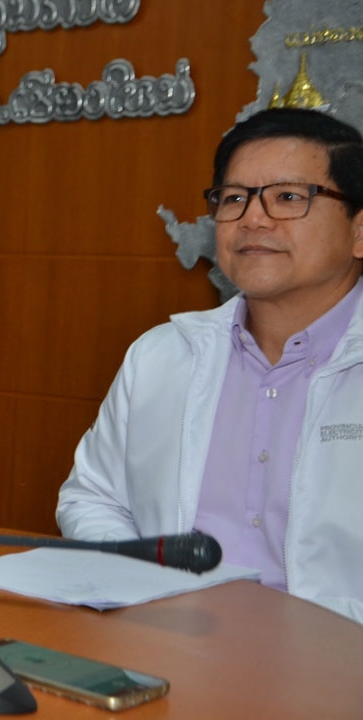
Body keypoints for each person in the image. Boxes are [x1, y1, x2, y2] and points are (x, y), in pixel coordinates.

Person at [56, 108, 363, 624]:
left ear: (359, 230)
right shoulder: (161, 355)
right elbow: (93, 498)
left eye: (289, 197)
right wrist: (144, 590)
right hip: (168, 643)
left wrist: (306, 637)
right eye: (234, 198)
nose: (253, 219)